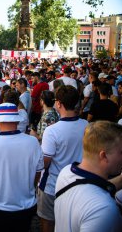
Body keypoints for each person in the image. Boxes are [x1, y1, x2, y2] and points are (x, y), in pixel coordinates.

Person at [0, 103, 44, 232]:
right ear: (17, 121)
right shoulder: (33, 142)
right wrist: (28, 187)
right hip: (27, 207)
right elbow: (38, 173)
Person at [54, 121, 122, 232]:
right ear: (103, 155)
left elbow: (94, 188)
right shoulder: (104, 209)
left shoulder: (65, 173)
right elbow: (94, 193)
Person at [38, 85, 88, 232]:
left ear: (59, 103)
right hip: (79, 184)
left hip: (52, 185)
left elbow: (45, 162)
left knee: (47, 223)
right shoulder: (86, 125)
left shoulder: (52, 131)